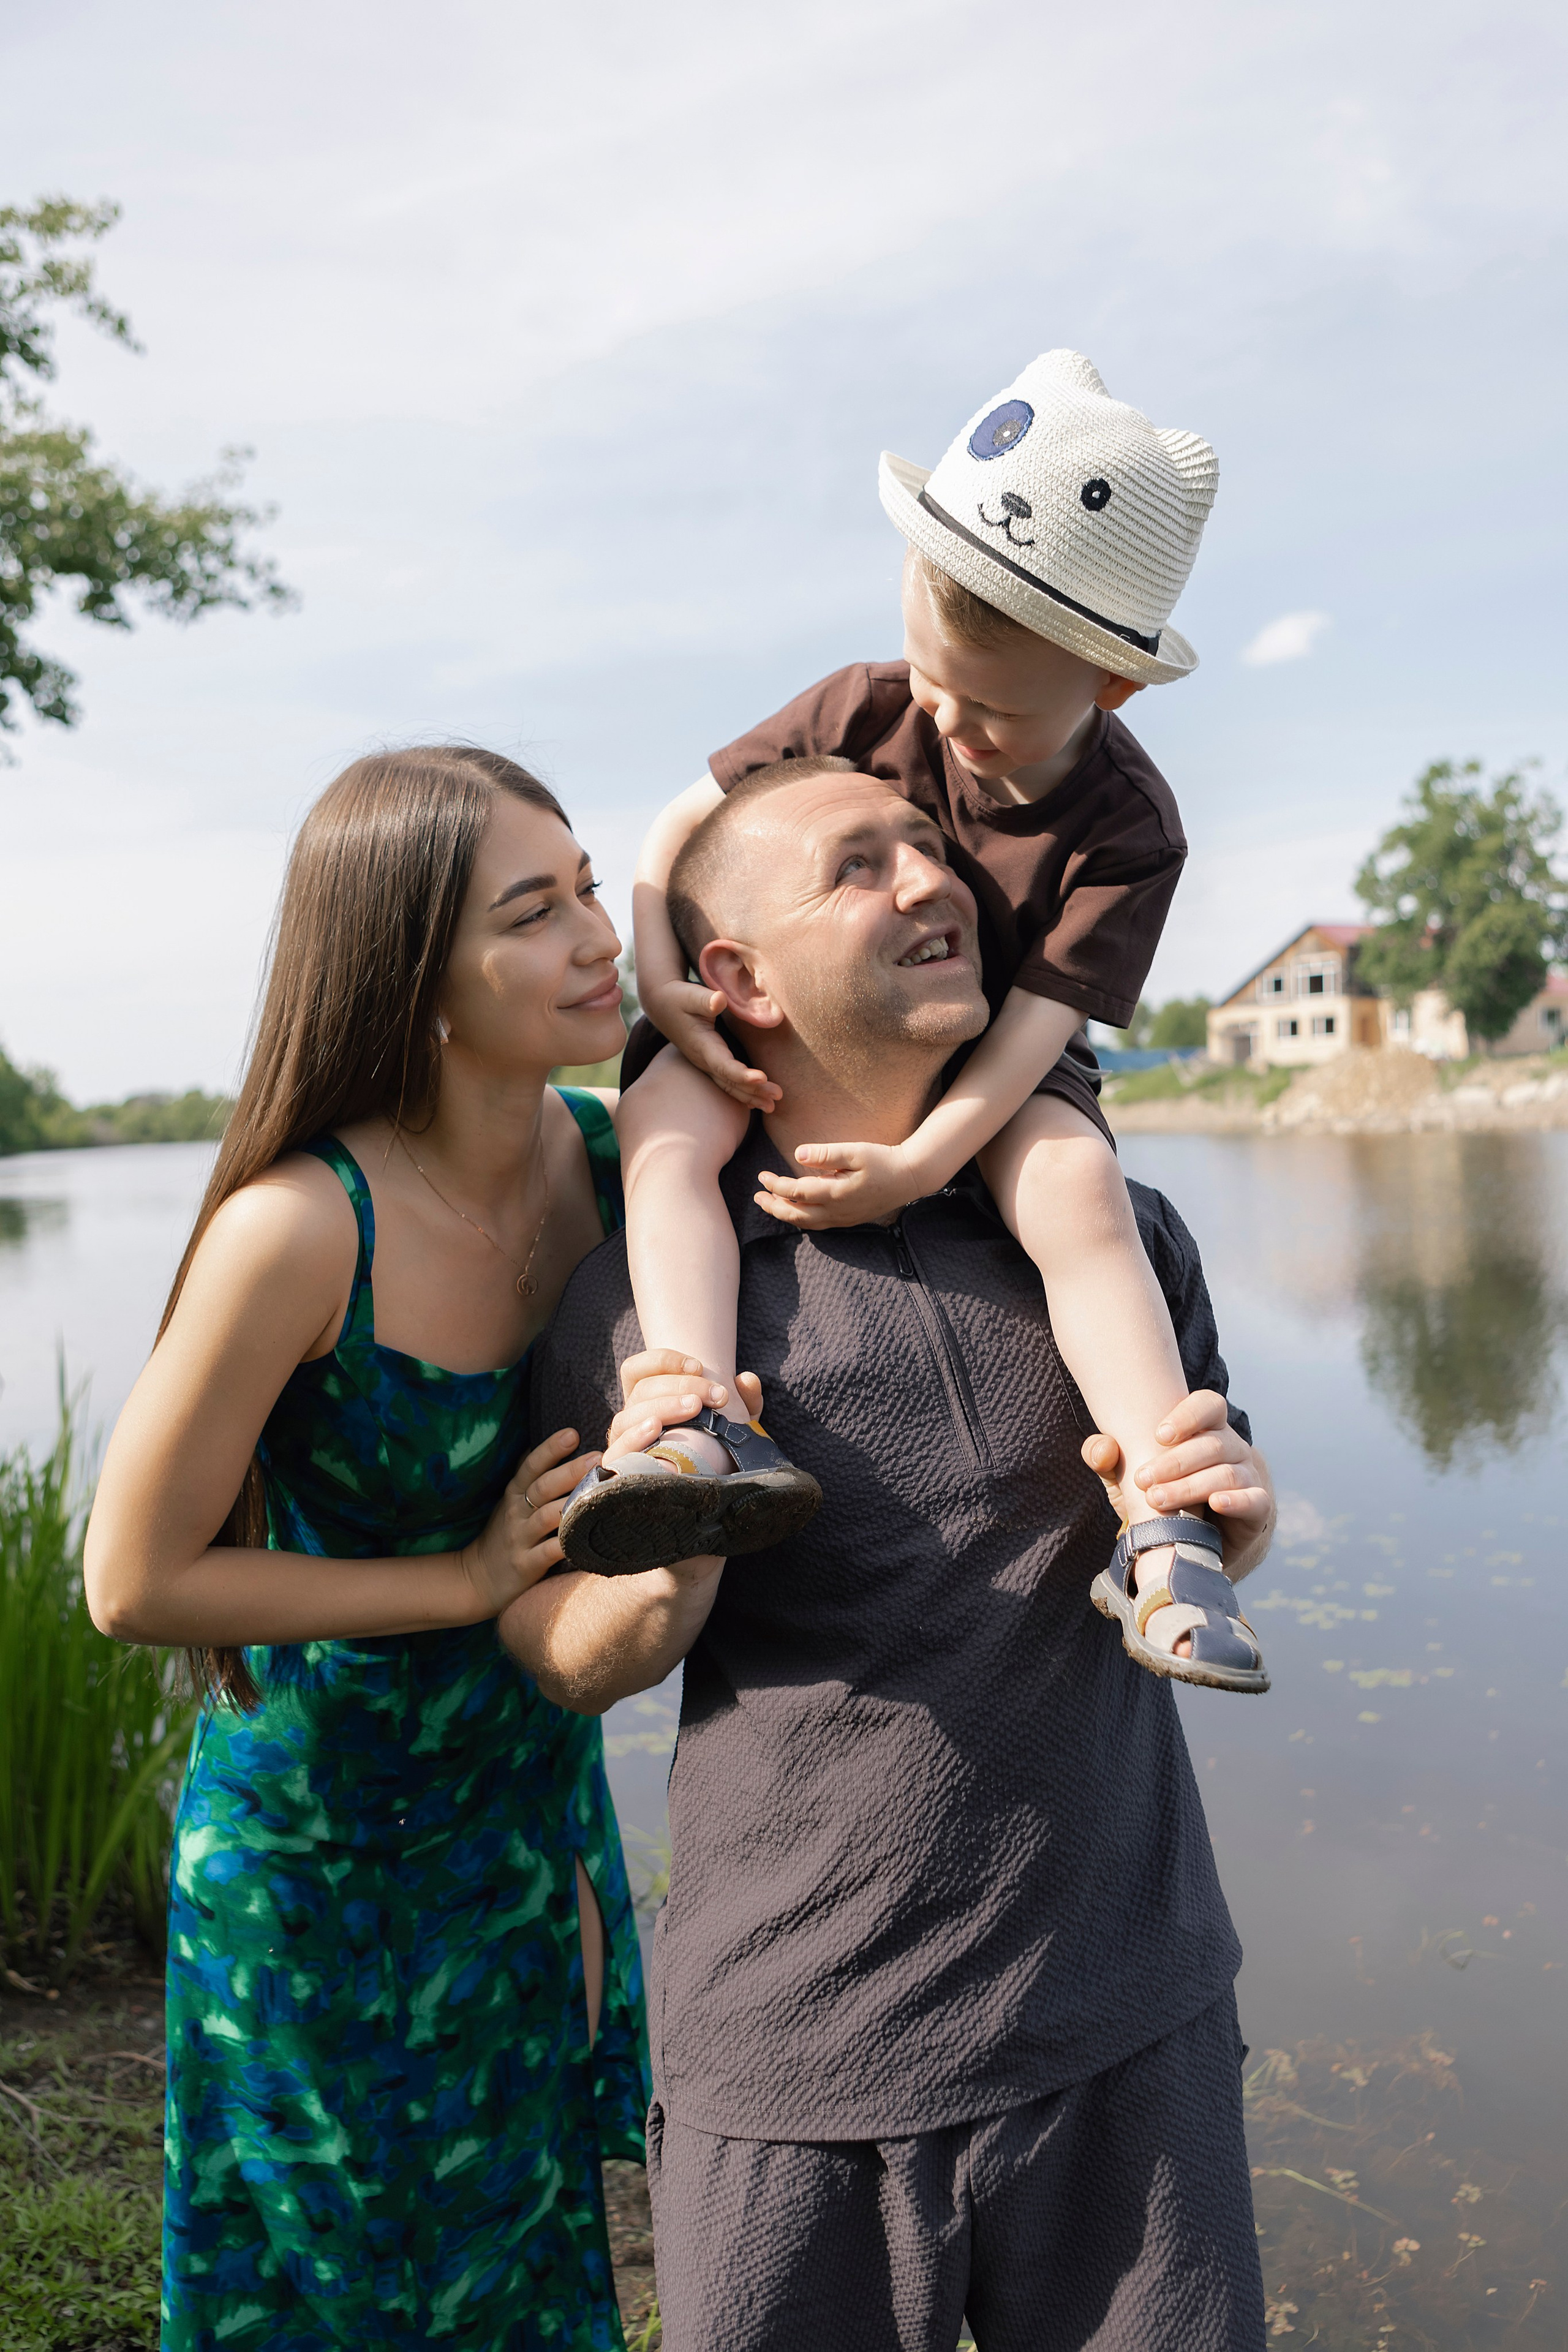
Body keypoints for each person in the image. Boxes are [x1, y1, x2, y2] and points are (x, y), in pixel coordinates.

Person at [505, 761, 1275, 2351]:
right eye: (861, 867)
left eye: (933, 848)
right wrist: (662, 1576)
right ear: (736, 980)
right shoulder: (639, 1310)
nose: (932, 884)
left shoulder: (1116, 1237)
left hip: (1134, 2033)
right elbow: (552, 1650)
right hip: (799, 2073)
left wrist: (1229, 1522)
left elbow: (1189, 1515)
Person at [85, 747, 650, 2352]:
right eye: (534, 912)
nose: (599, 936)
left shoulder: (620, 1168)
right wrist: (461, 1584)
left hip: (525, 1815)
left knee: (523, 2266)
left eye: (591, 887)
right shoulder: (302, 1225)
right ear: (415, 980)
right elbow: (132, 1580)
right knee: (335, 2296)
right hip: (316, 1861)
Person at [594, 350, 1266, 1692]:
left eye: (995, 713)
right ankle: (692, 1411)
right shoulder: (871, 703)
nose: (944, 727)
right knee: (664, 1118)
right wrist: (659, 959)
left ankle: (1163, 1521)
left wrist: (920, 1166)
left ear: (1109, 688)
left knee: (1075, 1192)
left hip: (1001, 1048)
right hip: (776, 1002)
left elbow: (1032, 1033)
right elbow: (685, 822)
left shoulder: (1125, 828)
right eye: (930, 681)